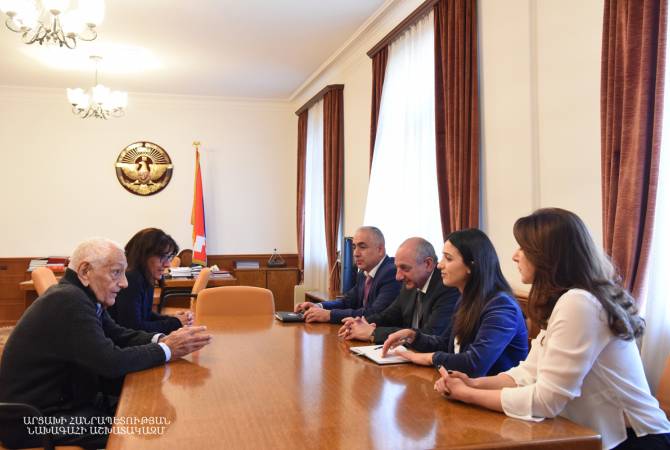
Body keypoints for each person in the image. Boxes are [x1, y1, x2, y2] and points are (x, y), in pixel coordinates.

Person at [435, 208, 670, 450]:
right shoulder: (568, 299)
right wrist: (474, 384)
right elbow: (528, 372)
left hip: (637, 441)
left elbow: (547, 401)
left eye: (522, 248)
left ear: (547, 256)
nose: (515, 256)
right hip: (594, 434)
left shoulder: (580, 302)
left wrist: (467, 395)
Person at [0, 238, 212, 449]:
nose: (124, 283)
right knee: (146, 427)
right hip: (35, 422)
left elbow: (118, 334)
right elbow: (110, 362)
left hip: (67, 402)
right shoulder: (69, 301)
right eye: (116, 272)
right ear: (85, 272)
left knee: (145, 410)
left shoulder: (82, 296)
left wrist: (161, 340)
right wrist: (167, 349)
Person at [383, 229, 528, 377]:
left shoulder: (502, 307)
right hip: (465, 389)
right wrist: (413, 336)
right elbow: (447, 345)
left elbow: (474, 364)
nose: (440, 265)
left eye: (448, 258)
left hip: (493, 395)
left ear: (471, 265)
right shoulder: (466, 298)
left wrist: (429, 358)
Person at [338, 237, 459, 344]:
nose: (398, 277)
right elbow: (389, 316)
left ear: (427, 264)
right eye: (397, 268)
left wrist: (374, 333)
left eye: (404, 268)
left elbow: (431, 335)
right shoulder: (411, 284)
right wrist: (360, 323)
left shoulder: (448, 287)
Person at [295, 226, 401, 323]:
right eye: (354, 247)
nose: (355, 253)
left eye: (362, 247)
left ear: (380, 249)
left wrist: (330, 315)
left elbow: (373, 313)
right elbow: (347, 302)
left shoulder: (391, 273)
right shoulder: (363, 273)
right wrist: (319, 306)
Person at [108, 228, 192, 333]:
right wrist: (174, 323)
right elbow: (133, 328)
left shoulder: (146, 276)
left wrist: (173, 319)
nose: (167, 264)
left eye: (169, 257)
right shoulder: (131, 278)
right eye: (162, 257)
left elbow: (145, 315)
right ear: (143, 256)